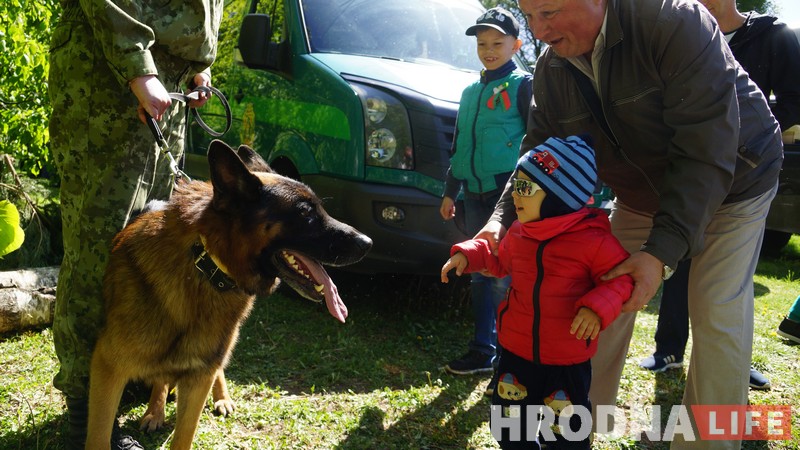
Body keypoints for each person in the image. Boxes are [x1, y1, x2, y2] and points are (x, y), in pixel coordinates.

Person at [477, 0, 782, 447]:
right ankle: (575, 428)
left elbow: (706, 149)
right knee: (591, 294)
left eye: (549, 13)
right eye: (530, 16)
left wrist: (659, 253)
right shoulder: (553, 66)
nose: (538, 31)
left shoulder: (674, 21)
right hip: (641, 194)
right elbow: (538, 150)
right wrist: (500, 222)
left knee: (715, 309)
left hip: (736, 178)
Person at [48, 0, 223, 448]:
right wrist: (138, 68)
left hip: (169, 90)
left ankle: (123, 384)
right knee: (100, 248)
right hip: (109, 81)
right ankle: (85, 416)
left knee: (152, 241)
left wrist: (199, 66)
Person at [640, 0, 800, 391]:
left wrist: (749, 140)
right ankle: (668, 350)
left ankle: (733, 366)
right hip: (688, 168)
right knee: (676, 255)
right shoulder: (679, 30)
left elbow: (794, 103)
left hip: (746, 176)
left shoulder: (773, 36)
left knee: (730, 284)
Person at [442, 136, 634, 449]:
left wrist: (596, 307)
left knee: (566, 434)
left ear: (560, 194)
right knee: (509, 426)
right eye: (516, 184)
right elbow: (499, 260)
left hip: (567, 360)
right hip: (516, 352)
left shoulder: (595, 241)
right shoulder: (520, 232)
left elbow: (621, 281)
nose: (515, 194)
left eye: (525, 187)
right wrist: (469, 254)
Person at [439, 7, 532, 382]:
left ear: (516, 46)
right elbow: (460, 145)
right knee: (478, 271)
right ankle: (482, 350)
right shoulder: (470, 91)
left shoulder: (523, 85)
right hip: (473, 195)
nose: (488, 50)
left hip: (506, 198)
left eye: (497, 43)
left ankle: (510, 358)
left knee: (503, 277)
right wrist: (451, 191)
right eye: (482, 44)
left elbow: (536, 141)